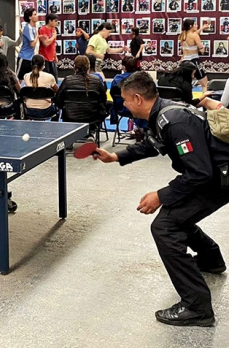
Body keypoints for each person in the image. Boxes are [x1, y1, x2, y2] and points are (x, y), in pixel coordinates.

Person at [94, 71, 229, 327]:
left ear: (137, 98)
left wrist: (161, 195)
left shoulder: (174, 122)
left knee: (165, 227)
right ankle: (211, 260)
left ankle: (197, 308)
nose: (124, 105)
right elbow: (152, 144)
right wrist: (116, 156)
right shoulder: (162, 113)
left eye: (125, 100)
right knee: (176, 216)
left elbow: (199, 173)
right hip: (212, 173)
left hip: (219, 180)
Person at [55, 55, 107, 141]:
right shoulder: (97, 81)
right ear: (88, 67)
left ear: (74, 67)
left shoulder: (67, 80)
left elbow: (58, 100)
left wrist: (65, 107)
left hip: (70, 117)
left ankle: (70, 138)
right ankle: (90, 133)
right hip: (92, 117)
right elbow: (103, 100)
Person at [22, 54, 58, 119]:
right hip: (46, 111)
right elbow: (57, 91)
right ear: (43, 65)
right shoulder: (50, 77)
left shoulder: (26, 76)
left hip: (29, 110)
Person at [178, 18, 208, 92]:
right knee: (204, 84)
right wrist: (202, 48)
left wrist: (202, 28)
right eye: (195, 24)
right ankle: (204, 98)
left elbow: (193, 35)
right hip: (194, 61)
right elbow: (202, 50)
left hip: (184, 62)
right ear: (191, 26)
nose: (197, 26)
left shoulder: (182, 35)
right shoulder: (195, 36)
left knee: (186, 83)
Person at [17, 7, 38, 80]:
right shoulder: (28, 28)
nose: (37, 16)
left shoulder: (33, 28)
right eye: (35, 14)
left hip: (30, 58)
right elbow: (32, 44)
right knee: (19, 79)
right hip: (24, 58)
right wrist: (37, 35)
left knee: (30, 80)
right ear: (30, 17)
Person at [37, 13, 59, 79]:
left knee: (54, 78)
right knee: (46, 78)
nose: (57, 23)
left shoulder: (53, 29)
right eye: (55, 21)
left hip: (52, 58)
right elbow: (46, 44)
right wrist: (53, 36)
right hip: (44, 58)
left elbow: (53, 44)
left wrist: (55, 56)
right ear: (50, 21)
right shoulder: (42, 29)